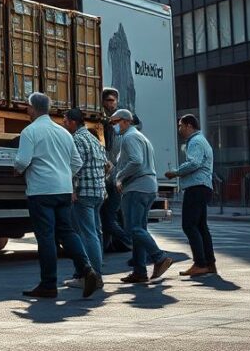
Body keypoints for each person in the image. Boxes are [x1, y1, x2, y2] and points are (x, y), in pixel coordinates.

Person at [13, 92, 103, 299]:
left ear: (33, 108)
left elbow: (22, 161)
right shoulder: (63, 133)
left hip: (41, 190)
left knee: (46, 237)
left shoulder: (30, 131)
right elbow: (77, 163)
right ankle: (87, 268)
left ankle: (48, 284)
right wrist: (63, 175)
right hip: (63, 190)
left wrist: (17, 169)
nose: (27, 111)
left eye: (28, 107)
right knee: (68, 232)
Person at [111, 108, 174, 283]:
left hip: (136, 187)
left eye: (114, 122)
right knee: (139, 229)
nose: (113, 126)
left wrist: (119, 176)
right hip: (147, 187)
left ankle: (159, 257)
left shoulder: (129, 137)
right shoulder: (141, 137)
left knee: (133, 229)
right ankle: (139, 271)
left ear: (125, 121)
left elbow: (136, 161)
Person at [62, 108, 109, 289]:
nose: (64, 125)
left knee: (86, 234)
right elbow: (107, 165)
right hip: (98, 192)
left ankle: (92, 276)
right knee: (95, 233)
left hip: (84, 193)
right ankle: (95, 273)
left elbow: (74, 166)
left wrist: (72, 189)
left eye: (65, 121)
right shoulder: (93, 139)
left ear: (73, 122)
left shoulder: (77, 140)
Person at [165, 114, 216, 276]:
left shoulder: (195, 141)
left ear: (189, 125)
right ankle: (209, 263)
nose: (179, 129)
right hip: (203, 187)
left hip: (197, 187)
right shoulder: (200, 140)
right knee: (201, 227)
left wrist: (175, 173)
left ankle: (200, 263)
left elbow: (194, 163)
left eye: (180, 125)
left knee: (189, 225)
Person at [99, 88, 132, 253]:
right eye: (107, 101)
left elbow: (133, 160)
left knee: (109, 218)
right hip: (108, 179)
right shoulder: (103, 121)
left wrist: (120, 178)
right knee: (105, 216)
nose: (110, 104)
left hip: (116, 180)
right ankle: (105, 246)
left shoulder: (127, 133)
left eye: (112, 101)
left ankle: (130, 242)